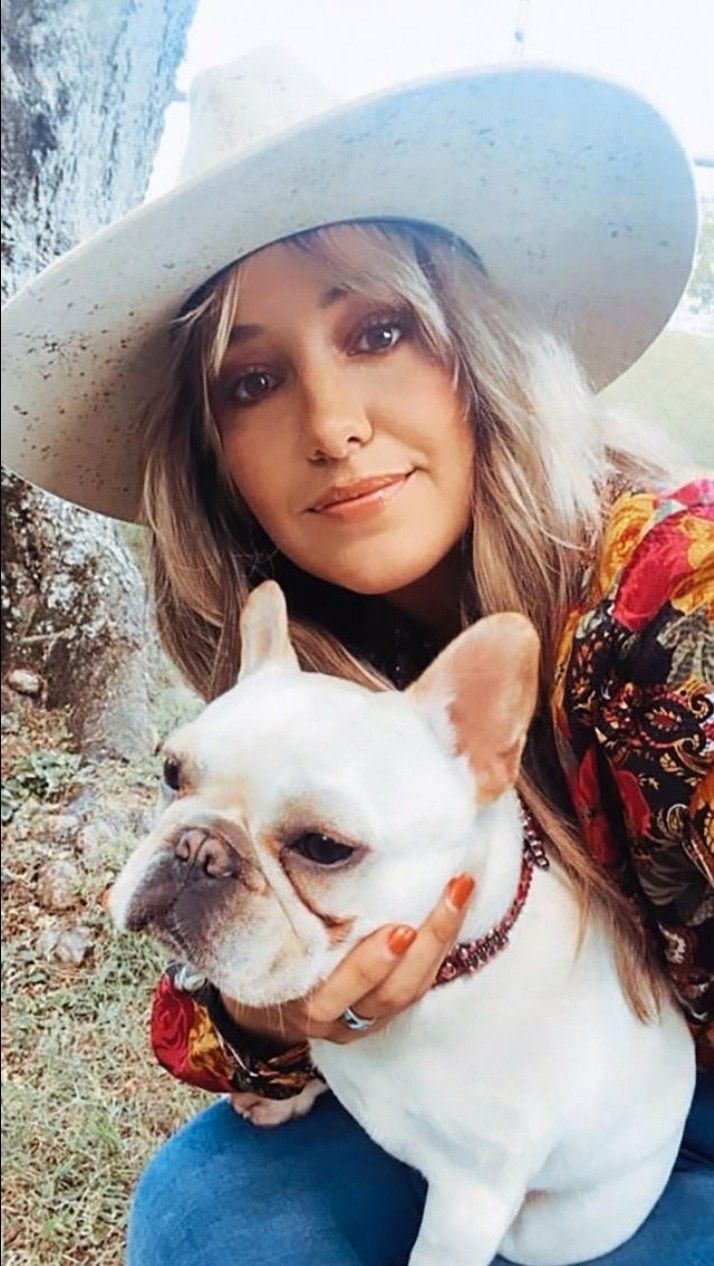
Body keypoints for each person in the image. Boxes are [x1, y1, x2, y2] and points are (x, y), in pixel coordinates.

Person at [2, 53, 712, 1266]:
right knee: (211, 1221)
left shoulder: (674, 607)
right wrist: (277, 992)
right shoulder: (302, 647)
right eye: (254, 379)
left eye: (379, 330)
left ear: (477, 348)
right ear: (211, 448)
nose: (331, 423)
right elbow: (214, 1029)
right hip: (474, 1078)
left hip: (666, 1097)